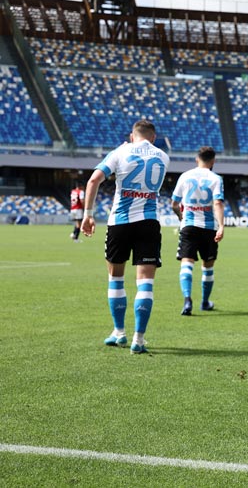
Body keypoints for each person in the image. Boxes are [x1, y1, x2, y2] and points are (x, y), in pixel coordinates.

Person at [81, 119, 170, 354]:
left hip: (120, 222)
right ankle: (138, 339)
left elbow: (93, 180)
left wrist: (88, 215)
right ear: (153, 137)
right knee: (146, 283)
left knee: (116, 278)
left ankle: (119, 332)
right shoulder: (163, 156)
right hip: (149, 222)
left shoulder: (120, 152)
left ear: (132, 136)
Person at [171, 146, 225, 316]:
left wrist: (181, 217)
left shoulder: (185, 176)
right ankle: (205, 302)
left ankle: (187, 300)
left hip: (189, 225)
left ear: (197, 159)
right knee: (207, 266)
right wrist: (221, 225)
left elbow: (174, 204)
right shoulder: (216, 178)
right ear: (213, 161)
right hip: (209, 227)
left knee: (187, 263)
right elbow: (217, 203)